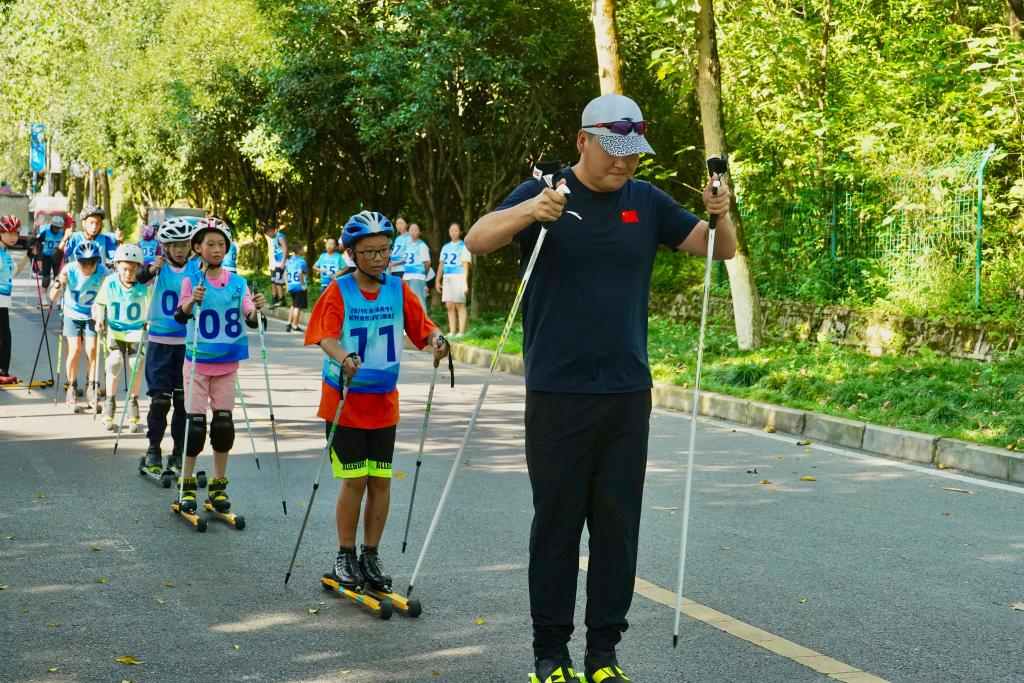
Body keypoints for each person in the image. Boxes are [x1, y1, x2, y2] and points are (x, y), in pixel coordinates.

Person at [464, 93, 736, 683]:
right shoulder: (550, 192)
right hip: (559, 391)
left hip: (626, 392)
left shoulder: (645, 201)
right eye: (614, 152)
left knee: (617, 526)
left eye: (633, 153)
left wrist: (721, 210)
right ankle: (550, 653)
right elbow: (478, 240)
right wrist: (530, 213)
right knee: (558, 522)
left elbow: (719, 248)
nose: (624, 164)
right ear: (582, 140)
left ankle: (603, 653)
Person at [304, 210, 449, 594]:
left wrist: (437, 341)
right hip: (345, 402)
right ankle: (344, 555)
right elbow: (323, 335)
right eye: (369, 252)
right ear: (351, 254)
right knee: (355, 479)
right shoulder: (339, 290)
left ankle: (370, 554)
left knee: (380, 480)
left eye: (384, 249)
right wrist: (343, 357)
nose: (378, 258)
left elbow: (423, 328)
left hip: (383, 404)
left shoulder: (397, 289)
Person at [173, 217, 266, 515]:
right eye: (210, 244)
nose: (216, 249)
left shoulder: (239, 283)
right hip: (198, 364)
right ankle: (186, 484)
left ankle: (218, 485)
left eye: (221, 244)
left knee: (223, 426)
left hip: (227, 364)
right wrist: (191, 303)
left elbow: (250, 315)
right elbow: (180, 314)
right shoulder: (191, 282)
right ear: (197, 248)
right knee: (195, 427)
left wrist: (257, 313)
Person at [135, 218, 200, 476]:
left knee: (183, 402)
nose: (180, 250)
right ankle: (153, 449)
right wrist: (151, 269)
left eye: (184, 244)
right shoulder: (159, 269)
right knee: (161, 401)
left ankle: (178, 452)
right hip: (160, 343)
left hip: (186, 344)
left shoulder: (196, 270)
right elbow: (140, 277)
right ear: (166, 246)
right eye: (174, 245)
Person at [94, 244, 149, 432]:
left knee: (137, 363)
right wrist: (99, 317)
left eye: (133, 270)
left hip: (136, 332)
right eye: (124, 269)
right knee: (115, 362)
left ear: (139, 269)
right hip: (116, 331)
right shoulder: (110, 282)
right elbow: (99, 304)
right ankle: (109, 404)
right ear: (117, 266)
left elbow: (151, 307)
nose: (128, 273)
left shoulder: (144, 285)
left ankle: (133, 403)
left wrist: (150, 321)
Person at [49, 240, 108, 412]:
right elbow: (52, 297)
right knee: (75, 350)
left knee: (92, 350)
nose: (88, 268)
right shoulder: (69, 269)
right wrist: (59, 282)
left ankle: (92, 388)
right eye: (84, 264)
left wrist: (103, 313)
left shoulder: (103, 272)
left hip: (93, 315)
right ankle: (72, 387)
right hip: (72, 314)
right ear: (78, 261)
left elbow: (109, 293)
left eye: (92, 263)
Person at [0, 216, 34, 384]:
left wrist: (28, 255)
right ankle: (1, 372)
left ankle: (3, 371)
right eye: (9, 232)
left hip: (3, 303)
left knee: (5, 337)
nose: (13, 237)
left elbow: (15, 272)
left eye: (16, 233)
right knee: (3, 337)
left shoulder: (5, 255)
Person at [436, 221, 472, 337]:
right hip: (447, 278)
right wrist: (437, 280)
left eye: (456, 230)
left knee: (459, 304)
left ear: (460, 232)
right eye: (451, 230)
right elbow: (441, 264)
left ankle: (461, 332)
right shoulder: (445, 247)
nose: (453, 233)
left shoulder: (464, 246)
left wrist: (464, 282)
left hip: (458, 277)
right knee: (449, 305)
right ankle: (452, 331)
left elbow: (465, 264)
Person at [401, 222, 431, 309]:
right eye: (411, 230)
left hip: (418, 276)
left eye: (415, 230)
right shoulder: (408, 245)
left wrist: (423, 274)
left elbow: (427, 263)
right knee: (408, 301)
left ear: (420, 232)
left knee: (419, 300)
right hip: (407, 276)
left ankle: (423, 321)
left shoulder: (422, 245)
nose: (413, 232)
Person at [35, 214, 65, 288]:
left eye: (58, 227)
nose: (56, 229)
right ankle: (44, 296)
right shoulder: (45, 231)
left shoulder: (62, 233)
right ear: (52, 225)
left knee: (57, 277)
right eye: (55, 227)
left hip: (57, 257)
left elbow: (65, 244)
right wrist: (38, 257)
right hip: (46, 256)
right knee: (46, 278)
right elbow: (38, 243)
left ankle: (55, 297)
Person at [263, 224, 287, 309]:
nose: (269, 236)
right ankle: (275, 298)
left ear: (271, 231)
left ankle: (282, 299)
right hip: (277, 263)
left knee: (278, 281)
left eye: (268, 234)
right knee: (274, 280)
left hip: (281, 263)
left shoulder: (280, 237)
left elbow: (285, 249)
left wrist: (283, 262)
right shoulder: (275, 238)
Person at [284, 246, 308, 332]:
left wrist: (287, 285)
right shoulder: (301, 261)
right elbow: (300, 272)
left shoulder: (289, 261)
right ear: (299, 250)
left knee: (293, 305)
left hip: (291, 285)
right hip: (298, 286)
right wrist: (302, 285)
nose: (304, 250)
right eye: (303, 248)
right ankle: (295, 325)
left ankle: (289, 323)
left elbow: (285, 273)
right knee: (297, 306)